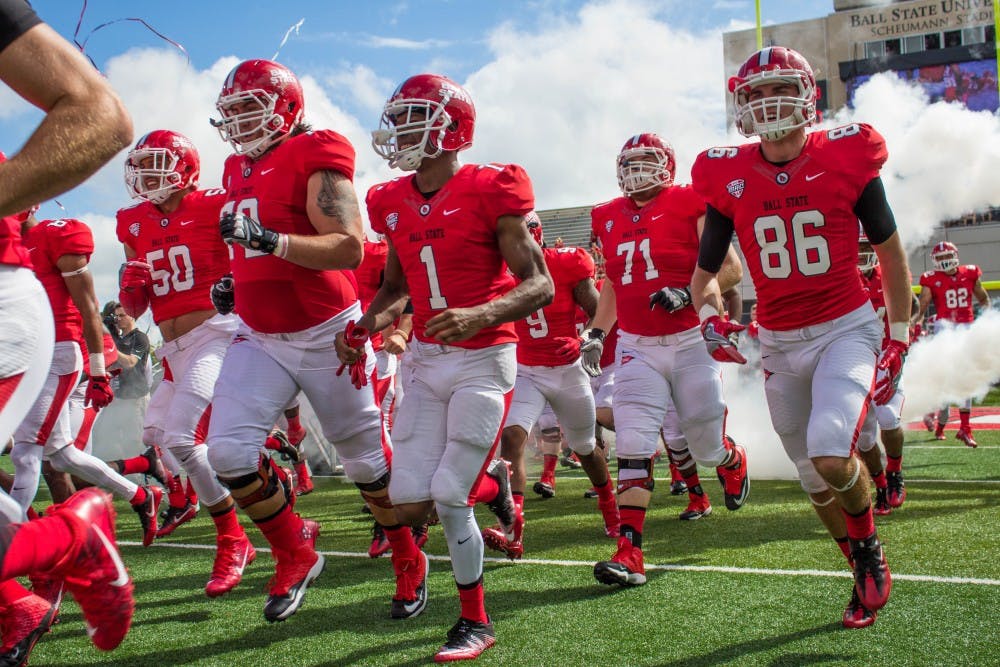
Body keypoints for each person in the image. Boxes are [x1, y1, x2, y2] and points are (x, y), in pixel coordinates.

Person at [690, 46, 911, 629]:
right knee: (813, 478)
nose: (768, 102)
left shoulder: (845, 154)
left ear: (808, 93)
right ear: (740, 104)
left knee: (830, 450)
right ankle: (858, 567)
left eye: (778, 88)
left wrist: (899, 335)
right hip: (781, 340)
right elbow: (705, 275)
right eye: (756, 93)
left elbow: (890, 255)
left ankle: (868, 550)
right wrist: (709, 318)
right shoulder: (726, 172)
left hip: (846, 327)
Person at [207, 58, 422, 624]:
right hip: (259, 334)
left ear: (286, 107)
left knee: (366, 463)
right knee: (226, 453)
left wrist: (268, 241)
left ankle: (408, 554)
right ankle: (294, 551)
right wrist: (238, 275)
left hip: (328, 331)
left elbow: (348, 246)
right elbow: (257, 244)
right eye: (232, 113)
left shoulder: (314, 150)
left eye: (249, 109)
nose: (240, 123)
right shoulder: (235, 167)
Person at [348, 73, 553, 661]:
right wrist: (365, 326)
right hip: (424, 360)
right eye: (401, 117)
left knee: (447, 494)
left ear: (453, 126)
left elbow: (537, 283)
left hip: (483, 358)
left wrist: (478, 315)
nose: (403, 130)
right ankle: (497, 492)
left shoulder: (493, 187)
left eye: (417, 117)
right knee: (409, 503)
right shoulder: (388, 200)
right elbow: (395, 288)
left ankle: (475, 622)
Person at [0, 0, 134, 661]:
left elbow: (98, 114)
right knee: (38, 454)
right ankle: (15, 603)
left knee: (42, 453)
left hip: (24, 319)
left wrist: (100, 362)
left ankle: (70, 539)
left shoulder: (61, 233)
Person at [586, 132, 748, 589]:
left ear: (668, 165)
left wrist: (688, 291)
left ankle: (730, 460)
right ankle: (629, 552)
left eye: (646, 160)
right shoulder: (608, 216)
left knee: (705, 445)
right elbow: (616, 284)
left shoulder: (689, 201)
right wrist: (598, 331)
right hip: (638, 344)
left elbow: (730, 268)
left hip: (689, 339)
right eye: (630, 161)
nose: (637, 169)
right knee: (635, 443)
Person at [115, 129, 255, 597]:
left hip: (217, 332)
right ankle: (272, 501)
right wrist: (130, 289)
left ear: (185, 167)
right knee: (157, 437)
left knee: (182, 437)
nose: (147, 176)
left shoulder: (216, 203)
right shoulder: (133, 221)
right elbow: (134, 306)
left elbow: (250, 256)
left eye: (157, 165)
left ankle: (233, 538)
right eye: (143, 166)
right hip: (172, 347)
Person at [13, 212, 163, 544]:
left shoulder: (57, 235)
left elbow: (89, 310)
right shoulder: (9, 246)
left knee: (27, 454)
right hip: (26, 356)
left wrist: (97, 373)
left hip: (60, 353)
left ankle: (21, 542)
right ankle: (140, 495)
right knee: (61, 455)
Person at [482, 213, 618, 560]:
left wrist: (585, 338)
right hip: (526, 370)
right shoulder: (494, 274)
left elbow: (595, 309)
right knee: (512, 438)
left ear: (532, 235)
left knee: (586, 446)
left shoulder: (567, 263)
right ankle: (513, 525)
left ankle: (609, 504)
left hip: (567, 370)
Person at [916, 241, 990, 447]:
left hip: (967, 328)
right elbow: (922, 305)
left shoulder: (971, 272)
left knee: (966, 377)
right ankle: (933, 411)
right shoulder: (931, 278)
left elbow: (983, 298)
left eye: (945, 256)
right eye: (939, 258)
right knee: (943, 375)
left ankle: (965, 428)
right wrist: (915, 323)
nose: (943, 260)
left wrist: (986, 318)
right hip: (944, 328)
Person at [856, 232, 910, 512]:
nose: (861, 253)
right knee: (864, 438)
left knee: (888, 417)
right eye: (857, 247)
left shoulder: (890, 274)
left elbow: (904, 318)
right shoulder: (842, 279)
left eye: (866, 247)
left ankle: (895, 472)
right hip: (855, 359)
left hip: (888, 355)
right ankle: (879, 486)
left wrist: (900, 351)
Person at [93, 302, 151, 460]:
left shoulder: (140, 337)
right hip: (118, 396)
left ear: (132, 316)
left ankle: (141, 477)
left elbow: (131, 362)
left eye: (122, 316)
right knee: (102, 433)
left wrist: (112, 349)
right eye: (116, 316)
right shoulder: (118, 338)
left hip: (135, 397)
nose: (118, 319)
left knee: (133, 441)